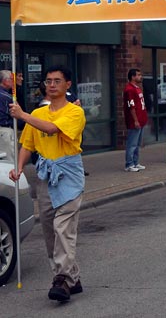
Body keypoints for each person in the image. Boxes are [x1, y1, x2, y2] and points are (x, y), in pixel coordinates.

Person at [9, 66, 87, 302]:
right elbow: (27, 145)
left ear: (68, 85)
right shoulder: (38, 113)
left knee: (63, 228)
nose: (52, 85)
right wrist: (19, 167)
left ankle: (61, 279)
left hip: (68, 175)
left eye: (57, 81)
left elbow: (52, 129)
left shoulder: (75, 112)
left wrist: (22, 115)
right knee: (49, 230)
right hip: (45, 176)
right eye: (48, 81)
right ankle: (72, 278)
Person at [123, 68, 148, 172]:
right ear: (133, 77)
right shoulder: (129, 89)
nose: (140, 77)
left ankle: (135, 162)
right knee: (132, 144)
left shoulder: (137, 88)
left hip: (141, 119)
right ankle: (129, 164)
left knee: (137, 144)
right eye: (138, 75)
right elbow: (131, 106)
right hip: (134, 121)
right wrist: (135, 120)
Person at [0, 70, 15, 154]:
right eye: (12, 79)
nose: (14, 82)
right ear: (5, 81)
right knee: (9, 159)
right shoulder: (7, 97)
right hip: (4, 131)